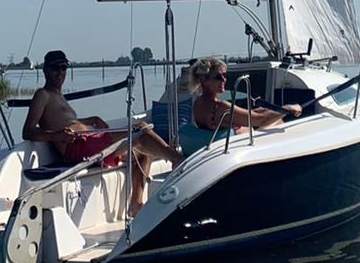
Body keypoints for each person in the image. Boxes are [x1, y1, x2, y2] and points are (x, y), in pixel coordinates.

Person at [22, 50, 179, 215]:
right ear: (45, 70)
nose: (60, 72)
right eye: (56, 68)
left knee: (142, 153)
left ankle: (136, 204)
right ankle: (177, 160)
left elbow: (64, 120)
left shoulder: (58, 96)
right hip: (77, 148)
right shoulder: (42, 95)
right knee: (141, 130)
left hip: (90, 141)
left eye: (64, 67)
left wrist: (89, 120)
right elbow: (28, 131)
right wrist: (56, 135)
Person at [190, 56, 303, 137]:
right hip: (241, 146)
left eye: (225, 75)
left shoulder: (198, 103)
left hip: (232, 142)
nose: (224, 80)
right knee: (278, 121)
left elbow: (245, 116)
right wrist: (288, 108)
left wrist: (258, 111)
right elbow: (262, 120)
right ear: (204, 80)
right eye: (218, 77)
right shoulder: (220, 107)